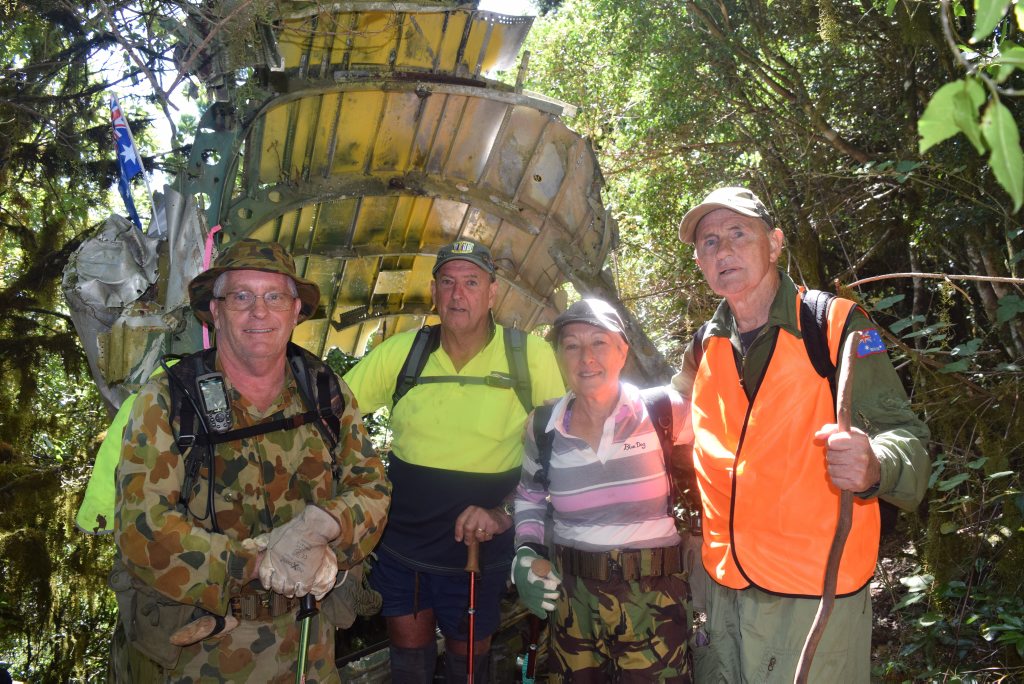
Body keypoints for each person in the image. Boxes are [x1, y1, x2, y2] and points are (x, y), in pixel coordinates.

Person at [673, 186, 930, 682]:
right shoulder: (707, 343)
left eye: (737, 234)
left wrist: (876, 463)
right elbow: (668, 417)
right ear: (701, 265)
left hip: (814, 598)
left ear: (774, 243)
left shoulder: (837, 326)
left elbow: (906, 434)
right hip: (723, 588)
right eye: (708, 243)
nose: (722, 250)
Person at [111, 238, 391, 682]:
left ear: (295, 311)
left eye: (274, 296)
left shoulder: (324, 392)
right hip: (201, 652)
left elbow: (372, 488)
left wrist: (329, 529)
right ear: (215, 311)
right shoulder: (168, 401)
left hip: (307, 648)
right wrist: (256, 563)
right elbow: (142, 528)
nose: (259, 312)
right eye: (241, 296)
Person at [342, 238, 564, 683]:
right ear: (434, 290)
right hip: (403, 538)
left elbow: (564, 453)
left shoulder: (530, 356)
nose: (457, 294)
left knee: (469, 662)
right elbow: (333, 415)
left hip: (481, 542)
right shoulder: (403, 352)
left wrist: (505, 515)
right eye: (448, 283)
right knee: (409, 659)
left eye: (470, 282)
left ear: (491, 292)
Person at [512, 298, 694, 682]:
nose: (585, 358)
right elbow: (528, 496)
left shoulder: (665, 411)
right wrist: (525, 554)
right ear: (560, 356)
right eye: (572, 345)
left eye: (599, 342)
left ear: (622, 350)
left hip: (655, 599)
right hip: (573, 600)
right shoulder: (543, 427)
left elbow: (724, 460)